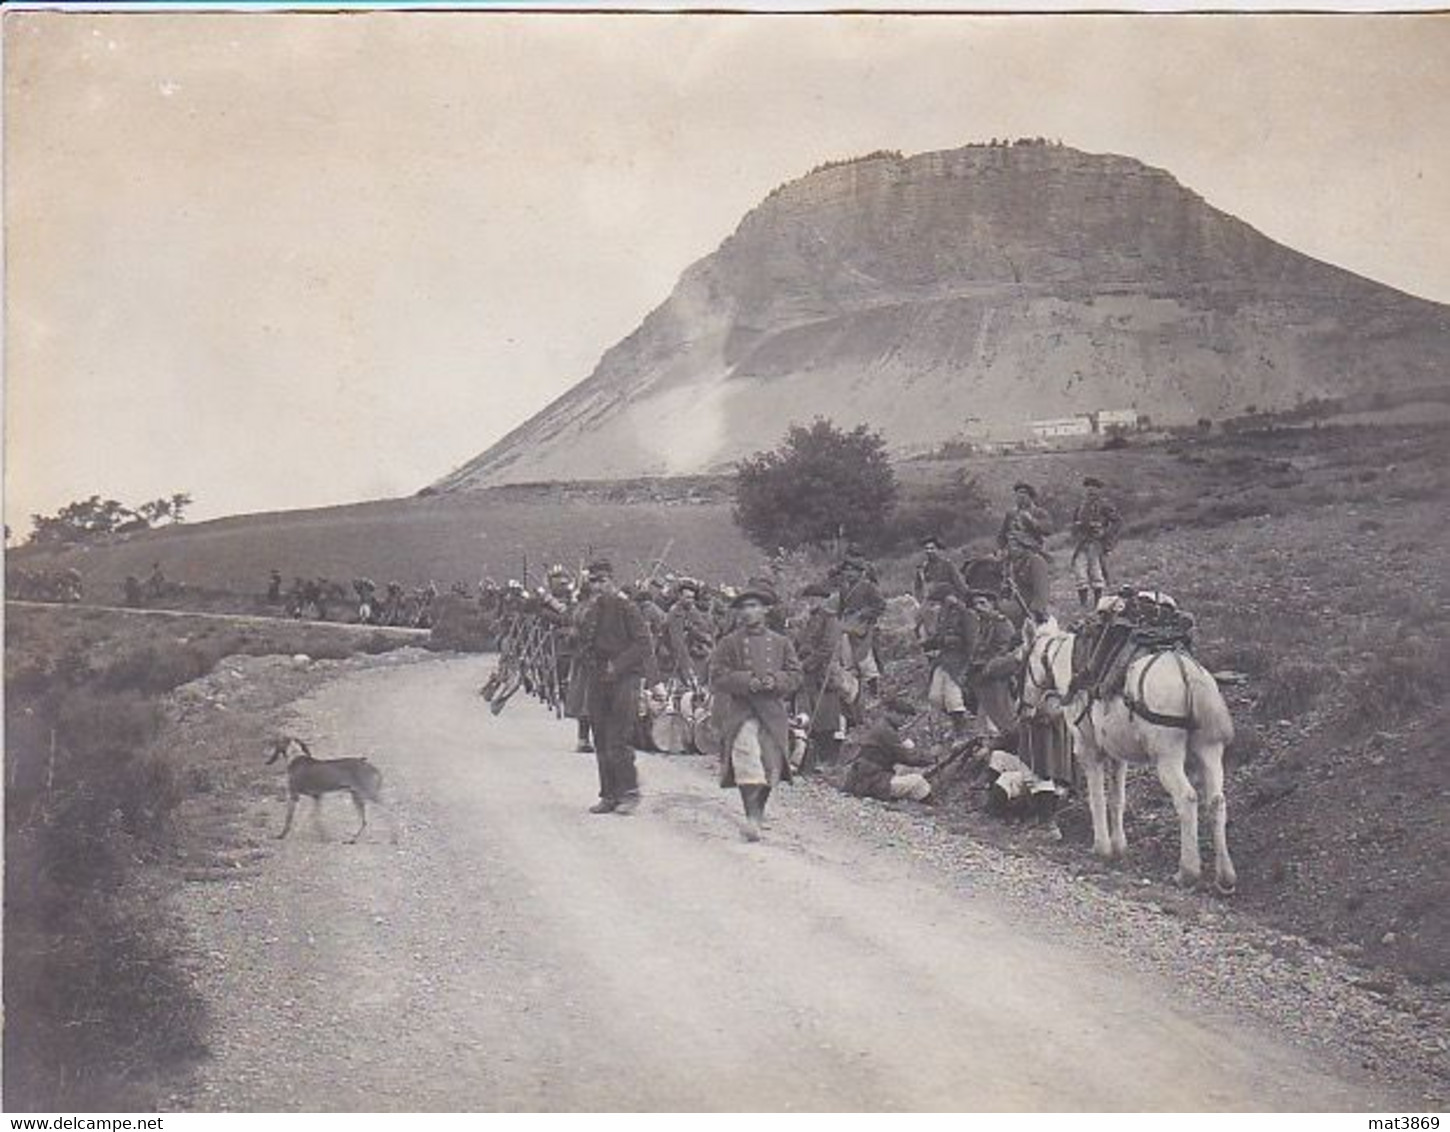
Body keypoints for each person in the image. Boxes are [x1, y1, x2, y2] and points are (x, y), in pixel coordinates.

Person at [708, 577, 803, 841]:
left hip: (773, 713)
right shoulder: (729, 642)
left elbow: (796, 674)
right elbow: (717, 675)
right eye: (744, 607)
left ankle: (758, 813)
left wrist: (777, 681)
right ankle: (751, 817)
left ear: (765, 609)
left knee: (770, 766)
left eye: (754, 606)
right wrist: (747, 681)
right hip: (741, 712)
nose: (749, 612)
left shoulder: (781, 642)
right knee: (746, 762)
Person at [577, 560, 663, 815]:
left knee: (619, 737)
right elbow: (582, 641)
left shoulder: (627, 608)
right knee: (601, 738)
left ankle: (629, 792)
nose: (599, 586)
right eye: (593, 581)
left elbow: (643, 645)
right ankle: (608, 795)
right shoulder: (589, 610)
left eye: (603, 580)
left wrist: (619, 665)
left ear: (611, 580)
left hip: (625, 679)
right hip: (597, 677)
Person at [792, 581, 847, 768]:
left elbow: (827, 649)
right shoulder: (809, 620)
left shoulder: (830, 620)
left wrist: (806, 664)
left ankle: (827, 758)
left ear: (824, 600)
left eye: (815, 598)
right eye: (809, 599)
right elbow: (800, 643)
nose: (811, 602)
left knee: (826, 716)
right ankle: (808, 756)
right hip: (808, 673)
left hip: (824, 674)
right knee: (808, 713)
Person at [843, 697, 936, 804]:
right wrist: (931, 756)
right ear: (890, 712)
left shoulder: (883, 726)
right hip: (871, 781)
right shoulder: (885, 731)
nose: (904, 720)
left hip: (866, 777)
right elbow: (907, 757)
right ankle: (930, 807)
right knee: (918, 782)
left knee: (908, 771)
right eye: (902, 715)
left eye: (906, 717)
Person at [920, 583, 975, 739]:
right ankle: (955, 723)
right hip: (944, 659)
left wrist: (969, 664)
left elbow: (971, 641)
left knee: (953, 697)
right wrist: (929, 643)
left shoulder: (966, 614)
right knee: (935, 697)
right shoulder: (945, 615)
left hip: (959, 660)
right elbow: (939, 636)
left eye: (940, 602)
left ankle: (961, 732)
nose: (938, 606)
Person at [965, 589, 1021, 735]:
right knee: (985, 717)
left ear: (992, 605)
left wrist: (987, 664)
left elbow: (1007, 650)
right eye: (975, 604)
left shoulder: (1001, 623)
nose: (978, 607)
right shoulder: (981, 625)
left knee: (1002, 716)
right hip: (982, 678)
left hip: (998, 677)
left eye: (983, 603)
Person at [997, 482, 1054, 623]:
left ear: (1031, 497)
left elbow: (1048, 530)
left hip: (1031, 554)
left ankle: (1038, 614)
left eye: (1024, 494)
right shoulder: (1011, 514)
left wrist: (1032, 522)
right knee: (1014, 590)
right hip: (1013, 558)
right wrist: (1001, 550)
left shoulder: (1039, 512)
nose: (1020, 497)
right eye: (1018, 494)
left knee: (1038, 587)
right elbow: (1002, 535)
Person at [837, 555, 886, 700]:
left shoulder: (868, 587)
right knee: (848, 662)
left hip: (864, 629)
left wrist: (865, 613)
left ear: (860, 572)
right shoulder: (844, 589)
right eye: (846, 570)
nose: (849, 573)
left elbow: (881, 605)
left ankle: (874, 693)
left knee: (866, 661)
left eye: (852, 570)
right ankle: (855, 696)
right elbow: (841, 608)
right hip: (847, 627)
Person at [1070, 476, 1123, 608]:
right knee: (1080, 573)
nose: (1091, 490)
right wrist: (1077, 528)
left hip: (1097, 544)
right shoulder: (1080, 506)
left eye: (1094, 487)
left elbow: (1117, 522)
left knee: (1096, 573)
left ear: (1099, 490)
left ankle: (1097, 603)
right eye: (1088, 487)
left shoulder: (1105, 505)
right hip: (1081, 544)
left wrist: (1104, 533)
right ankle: (1083, 604)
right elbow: (1073, 524)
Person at [666, 577, 716, 690]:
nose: (690, 600)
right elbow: (677, 643)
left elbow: (704, 628)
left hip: (696, 654)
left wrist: (700, 635)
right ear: (680, 597)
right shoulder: (675, 614)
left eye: (692, 598)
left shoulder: (691, 610)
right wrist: (687, 666)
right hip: (675, 660)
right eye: (687, 597)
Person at [914, 536, 967, 602]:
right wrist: (920, 599)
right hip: (930, 599)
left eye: (932, 548)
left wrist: (964, 595)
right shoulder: (923, 568)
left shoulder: (947, 564)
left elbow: (958, 583)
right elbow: (917, 588)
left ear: (938, 549)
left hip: (947, 596)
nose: (929, 551)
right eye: (926, 549)